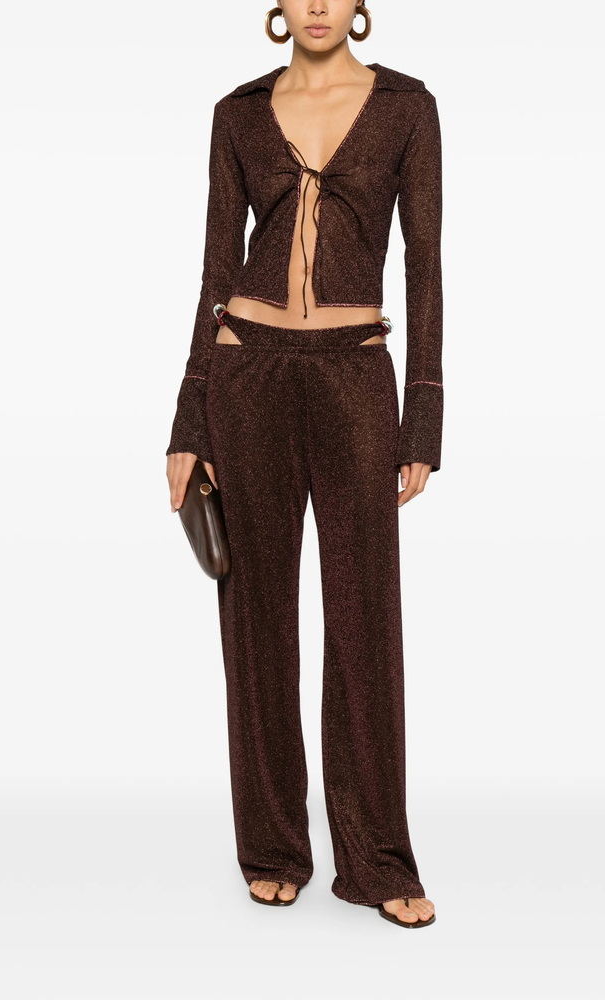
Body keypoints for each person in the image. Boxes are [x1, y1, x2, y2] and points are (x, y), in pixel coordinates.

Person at [165, 1, 442, 928]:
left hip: (356, 374)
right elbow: (215, 273)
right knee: (256, 620)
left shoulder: (407, 108)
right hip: (246, 373)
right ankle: (274, 845)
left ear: (361, 5)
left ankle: (377, 859)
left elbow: (426, 269)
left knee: (364, 620)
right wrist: (189, 421)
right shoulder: (237, 114)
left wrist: (422, 417)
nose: (317, 3)